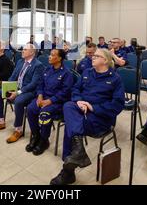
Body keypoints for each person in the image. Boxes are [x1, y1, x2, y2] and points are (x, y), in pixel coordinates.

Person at [50, 49, 125, 185]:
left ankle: (68, 172)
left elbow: (117, 105)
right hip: (80, 110)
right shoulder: (87, 72)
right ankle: (77, 152)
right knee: (68, 106)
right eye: (93, 55)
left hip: (99, 118)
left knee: (70, 129)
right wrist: (79, 101)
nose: (93, 57)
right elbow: (75, 89)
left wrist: (93, 107)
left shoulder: (115, 79)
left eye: (97, 56)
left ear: (106, 60)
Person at [0, 44, 44, 143]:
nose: (22, 51)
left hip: (29, 91)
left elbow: (34, 84)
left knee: (18, 101)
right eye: (23, 49)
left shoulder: (38, 65)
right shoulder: (20, 61)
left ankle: (18, 130)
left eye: (25, 50)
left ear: (32, 52)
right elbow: (13, 76)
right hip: (16, 88)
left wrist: (17, 92)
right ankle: (1, 122)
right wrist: (7, 87)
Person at [26, 49, 73, 155]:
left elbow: (66, 92)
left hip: (57, 102)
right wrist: (40, 95)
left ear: (60, 58)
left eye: (52, 55)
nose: (49, 57)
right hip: (43, 98)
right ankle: (36, 135)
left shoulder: (66, 73)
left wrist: (51, 101)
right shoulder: (47, 70)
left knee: (44, 113)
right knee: (30, 109)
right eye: (50, 55)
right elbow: (40, 84)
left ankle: (44, 140)